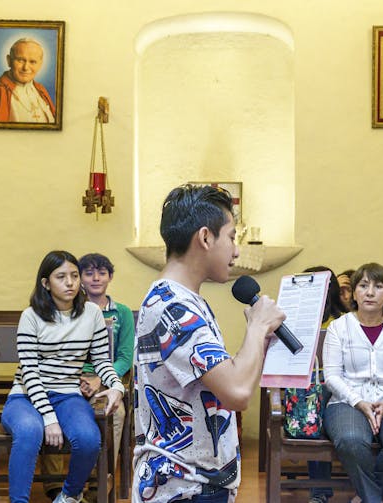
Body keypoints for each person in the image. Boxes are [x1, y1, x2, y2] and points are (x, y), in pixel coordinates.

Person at [133, 184, 285, 502]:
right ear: (205, 237)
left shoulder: (186, 300)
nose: (237, 250)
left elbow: (226, 382)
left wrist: (261, 340)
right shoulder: (172, 307)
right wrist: (256, 327)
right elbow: (238, 393)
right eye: (231, 237)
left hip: (198, 481)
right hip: (181, 485)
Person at [1, 250, 124, 503]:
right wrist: (48, 418)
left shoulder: (91, 314)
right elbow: (30, 372)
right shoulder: (31, 316)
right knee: (29, 431)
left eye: (74, 276)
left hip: (68, 395)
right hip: (26, 396)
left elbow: (101, 361)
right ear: (46, 283)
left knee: (89, 440)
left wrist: (116, 386)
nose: (70, 282)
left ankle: (69, 495)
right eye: (61, 277)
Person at [323, 263, 383, 503]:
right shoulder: (339, 327)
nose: (370, 292)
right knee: (350, 440)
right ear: (354, 293)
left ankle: (367, 494)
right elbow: (332, 376)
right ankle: (378, 497)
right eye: (363, 286)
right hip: (347, 400)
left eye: (378, 287)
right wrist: (360, 402)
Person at [41, 252, 135, 501]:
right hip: (69, 379)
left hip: (104, 382)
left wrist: (101, 380)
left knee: (116, 413)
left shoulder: (122, 313)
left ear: (110, 277)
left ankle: (98, 479)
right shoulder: (67, 309)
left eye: (101, 272)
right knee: (52, 409)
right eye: (88, 273)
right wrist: (77, 379)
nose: (95, 278)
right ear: (79, 278)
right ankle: (55, 485)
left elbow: (125, 357)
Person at [292, 266, 348, 503]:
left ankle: (323, 490)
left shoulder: (344, 321)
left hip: (342, 386)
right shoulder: (295, 317)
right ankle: (320, 491)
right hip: (309, 385)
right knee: (314, 406)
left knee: (323, 400)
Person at [0, 38, 56, 123]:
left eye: (32, 62)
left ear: (40, 64)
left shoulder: (41, 90)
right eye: (20, 60)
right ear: (9, 61)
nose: (26, 68)